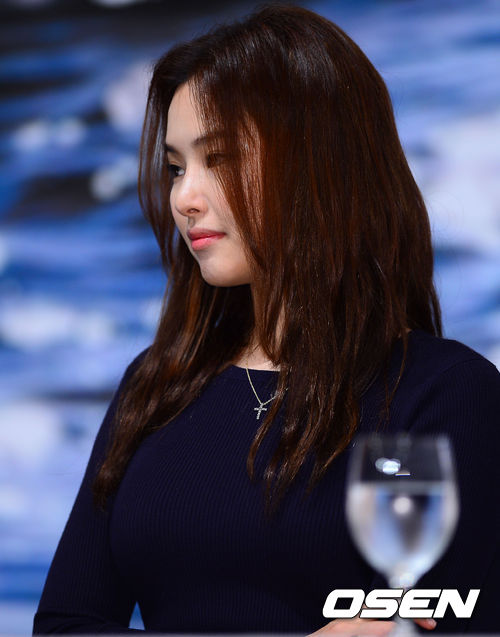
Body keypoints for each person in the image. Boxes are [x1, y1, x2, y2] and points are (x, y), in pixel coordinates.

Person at [33, 4, 500, 635]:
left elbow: (444, 619)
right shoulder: (156, 386)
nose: (183, 197)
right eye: (176, 167)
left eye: (219, 159)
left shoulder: (445, 394)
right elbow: (65, 624)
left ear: (320, 161)